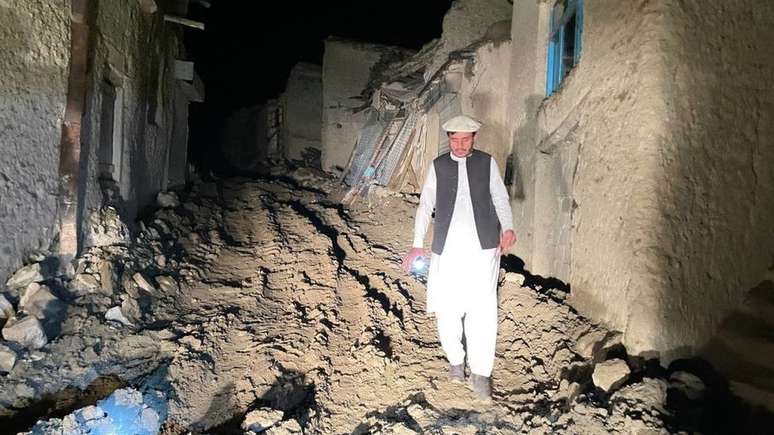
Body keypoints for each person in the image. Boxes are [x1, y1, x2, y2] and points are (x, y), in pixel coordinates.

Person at [402, 115, 515, 400]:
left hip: (484, 248)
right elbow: (425, 203)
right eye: (455, 139)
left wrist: (509, 227)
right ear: (449, 138)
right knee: (447, 307)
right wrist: (417, 244)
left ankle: (480, 374)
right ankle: (455, 360)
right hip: (448, 250)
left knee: (483, 309)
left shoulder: (487, 163)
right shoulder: (438, 166)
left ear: (474, 139)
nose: (460, 145)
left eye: (466, 140)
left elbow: (500, 197)